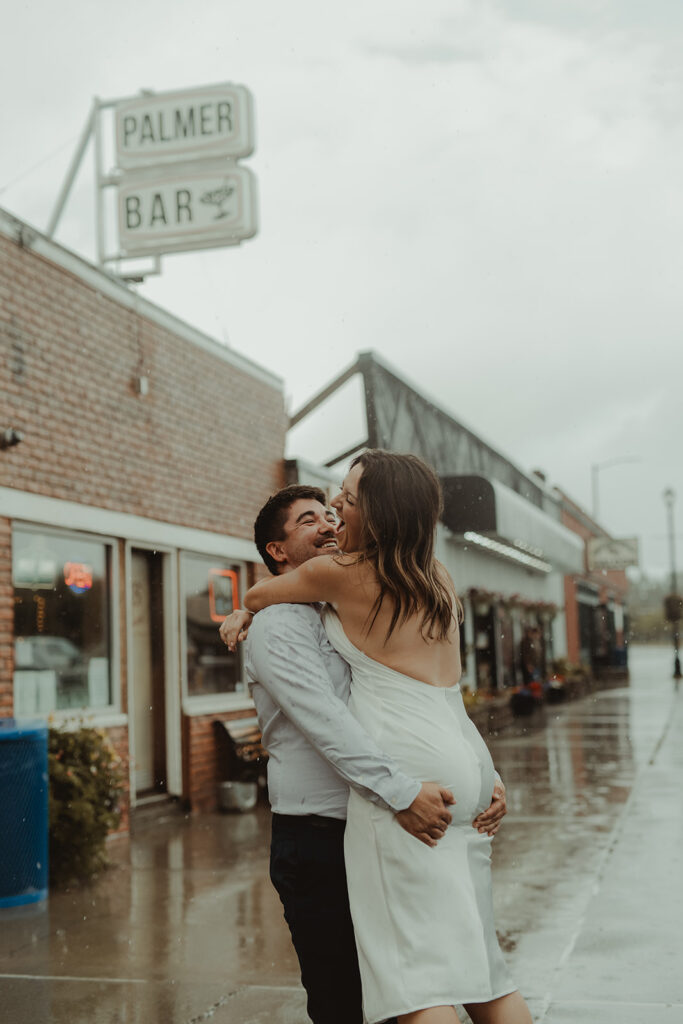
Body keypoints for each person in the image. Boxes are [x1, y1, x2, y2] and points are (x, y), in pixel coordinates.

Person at [242, 454, 532, 1024]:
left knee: (414, 985)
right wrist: (479, 770)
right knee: (476, 969)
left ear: (375, 511)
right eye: (312, 518)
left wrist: (242, 609)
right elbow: (431, 694)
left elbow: (258, 596)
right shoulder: (431, 577)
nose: (331, 518)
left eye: (339, 505)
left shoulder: (341, 581)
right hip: (346, 817)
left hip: (401, 791)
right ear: (277, 552)